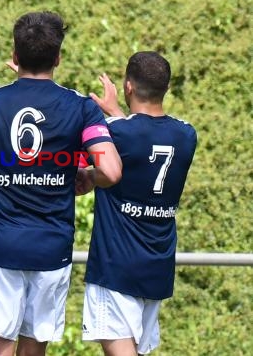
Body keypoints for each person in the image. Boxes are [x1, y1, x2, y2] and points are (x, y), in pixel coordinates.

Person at [0, 12, 122, 356]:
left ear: (15, 55)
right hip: (51, 247)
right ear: (57, 58)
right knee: (33, 349)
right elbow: (111, 172)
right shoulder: (81, 108)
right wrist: (85, 176)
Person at [80, 52, 197, 355]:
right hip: (156, 265)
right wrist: (117, 113)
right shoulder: (187, 135)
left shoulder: (114, 133)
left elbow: (121, 146)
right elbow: (143, 142)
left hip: (117, 266)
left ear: (128, 86)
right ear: (166, 88)